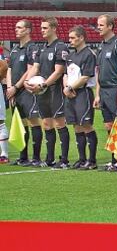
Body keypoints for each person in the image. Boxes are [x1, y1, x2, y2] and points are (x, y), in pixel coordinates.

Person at [93, 15, 117, 171]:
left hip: (116, 89)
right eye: (98, 24)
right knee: (109, 125)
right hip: (104, 91)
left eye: (101, 24)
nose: (99, 27)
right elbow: (98, 72)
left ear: (110, 26)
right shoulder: (101, 46)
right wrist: (97, 94)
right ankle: (114, 159)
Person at [32, 17, 71, 169]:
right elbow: (35, 68)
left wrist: (43, 84)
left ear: (54, 28)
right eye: (41, 28)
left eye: (45, 28)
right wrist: (29, 83)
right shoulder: (42, 48)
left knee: (59, 122)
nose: (42, 30)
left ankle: (65, 160)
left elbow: (59, 71)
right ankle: (50, 158)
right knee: (47, 124)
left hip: (55, 90)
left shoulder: (60, 47)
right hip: (43, 92)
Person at [5, 20, 43, 166]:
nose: (16, 30)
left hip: (27, 91)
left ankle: (36, 158)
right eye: (15, 27)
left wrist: (16, 87)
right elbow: (9, 69)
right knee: (20, 124)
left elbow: (30, 69)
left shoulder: (32, 48)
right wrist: (10, 89)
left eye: (20, 27)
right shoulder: (14, 49)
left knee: (33, 121)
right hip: (15, 92)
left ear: (28, 30)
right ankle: (23, 157)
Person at [62, 26, 98, 169]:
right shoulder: (71, 56)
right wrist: (66, 88)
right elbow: (65, 74)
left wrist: (71, 88)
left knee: (86, 124)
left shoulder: (89, 54)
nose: (69, 40)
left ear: (81, 37)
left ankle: (92, 160)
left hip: (83, 93)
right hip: (70, 94)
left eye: (72, 38)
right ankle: (82, 159)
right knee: (76, 125)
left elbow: (85, 77)